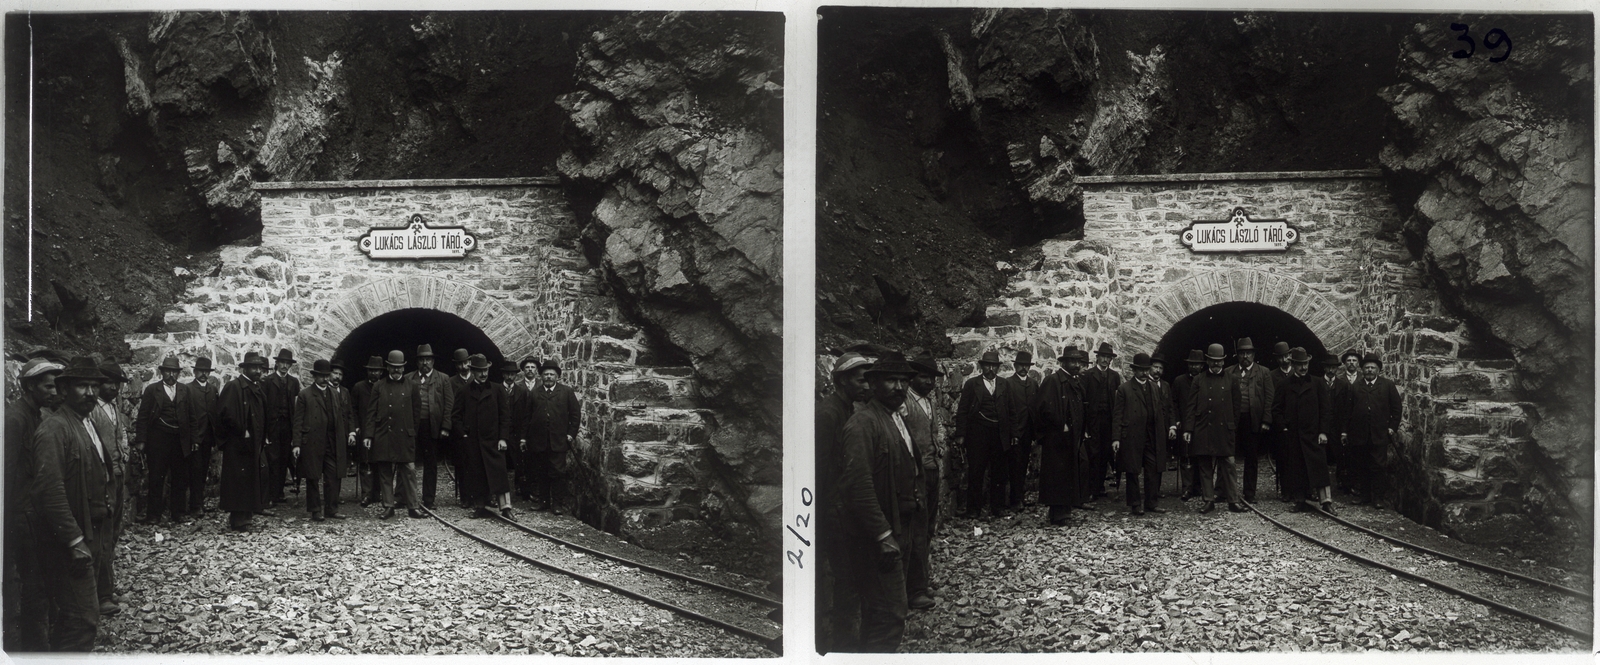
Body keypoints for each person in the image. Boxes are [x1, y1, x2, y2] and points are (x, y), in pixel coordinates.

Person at [835, 351, 922, 652]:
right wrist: (882, 534)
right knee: (891, 615)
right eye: (890, 380)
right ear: (872, 384)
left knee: (879, 611)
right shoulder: (863, 424)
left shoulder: (895, 418)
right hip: (880, 537)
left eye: (904, 380)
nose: (899, 387)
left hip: (901, 529)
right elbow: (857, 486)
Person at [25, 358, 113, 651]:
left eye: (94, 386)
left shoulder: (86, 422)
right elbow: (49, 491)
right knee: (83, 618)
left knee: (72, 617)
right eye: (82, 385)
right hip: (72, 541)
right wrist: (74, 540)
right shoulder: (55, 429)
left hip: (93, 533)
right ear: (64, 389)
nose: (90, 392)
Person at [5, 358, 64, 650]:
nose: (55, 392)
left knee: (41, 583)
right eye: (48, 386)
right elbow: (7, 474)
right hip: (21, 517)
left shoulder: (37, 415)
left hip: (34, 514)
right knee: (33, 586)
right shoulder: (15, 419)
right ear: (30, 387)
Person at [815, 352, 871, 655]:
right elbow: (821, 470)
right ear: (841, 381)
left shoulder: (848, 409)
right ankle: (839, 646)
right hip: (834, 513)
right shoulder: (828, 414)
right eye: (860, 380)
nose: (866, 385)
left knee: (850, 579)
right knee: (845, 579)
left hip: (845, 509)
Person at [89, 363, 132, 616]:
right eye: (108, 382)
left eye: (117, 383)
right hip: (101, 479)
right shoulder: (92, 410)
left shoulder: (114, 408)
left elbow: (120, 438)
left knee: (113, 533)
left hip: (116, 477)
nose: (113, 387)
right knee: (102, 535)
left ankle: (107, 584)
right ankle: (100, 593)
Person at [900, 353, 941, 610]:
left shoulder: (929, 402)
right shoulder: (904, 402)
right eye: (923, 376)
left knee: (927, 528)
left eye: (932, 378)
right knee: (914, 529)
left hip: (932, 470)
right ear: (913, 377)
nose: (928, 382)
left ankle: (921, 580)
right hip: (915, 473)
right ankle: (912, 589)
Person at [953, 351, 1017, 519]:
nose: (990, 369)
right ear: (981, 367)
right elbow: (963, 410)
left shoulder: (1004, 384)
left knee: (1000, 472)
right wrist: (961, 434)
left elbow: (1012, 411)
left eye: (994, 366)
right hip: (978, 433)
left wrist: (1013, 433)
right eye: (987, 366)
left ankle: (997, 508)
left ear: (997, 367)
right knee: (976, 471)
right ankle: (973, 509)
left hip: (999, 434)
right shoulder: (972, 384)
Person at [364, 351, 426, 520]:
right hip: (384, 434)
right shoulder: (379, 386)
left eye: (399, 367)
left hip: (404, 436)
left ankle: (413, 507)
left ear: (404, 367)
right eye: (393, 367)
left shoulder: (412, 385)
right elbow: (371, 412)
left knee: (409, 471)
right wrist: (368, 436)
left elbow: (416, 411)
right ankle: (388, 506)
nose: (396, 370)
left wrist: (412, 431)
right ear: (388, 367)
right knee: (385, 472)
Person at [1184, 344, 1246, 514]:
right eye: (1213, 361)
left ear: (1223, 361)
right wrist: (1188, 430)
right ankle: (1208, 500)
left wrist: (1231, 425)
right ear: (1208, 361)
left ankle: (1233, 500)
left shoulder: (1232, 379)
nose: (1216, 364)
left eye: (1219, 361)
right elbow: (1191, 407)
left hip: (1224, 430)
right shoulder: (1199, 380)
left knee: (1229, 465)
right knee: (1205, 466)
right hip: (1204, 428)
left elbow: (1237, 406)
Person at [134, 356, 196, 524]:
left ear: (178, 374)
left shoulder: (184, 390)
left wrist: (194, 439)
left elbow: (192, 417)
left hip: (180, 440)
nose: (171, 375)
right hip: (158, 440)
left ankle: (178, 513)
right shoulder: (152, 390)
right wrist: (141, 440)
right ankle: (153, 515)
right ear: (162, 372)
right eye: (168, 371)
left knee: (180, 478)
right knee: (156, 478)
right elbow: (143, 416)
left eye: (174, 372)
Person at [1273, 348, 1335, 513]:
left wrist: (1323, 432)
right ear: (1293, 365)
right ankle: (1300, 500)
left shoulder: (1317, 383)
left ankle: (1326, 502)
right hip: (1294, 435)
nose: (1303, 367)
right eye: (1299, 364)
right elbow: (1276, 409)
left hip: (1314, 434)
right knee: (1297, 468)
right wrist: (1284, 427)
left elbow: (1325, 410)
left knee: (1320, 467)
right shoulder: (1284, 385)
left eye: (1305, 363)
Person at [1111, 353, 1174, 515]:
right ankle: (1135, 504)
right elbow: (1117, 415)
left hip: (1151, 435)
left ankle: (1151, 503)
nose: (1144, 373)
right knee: (1133, 470)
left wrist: (1165, 430)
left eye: (1146, 369)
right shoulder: (1124, 389)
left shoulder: (1153, 387)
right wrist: (1116, 438)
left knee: (1153, 469)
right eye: (1141, 370)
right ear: (1134, 370)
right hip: (1132, 435)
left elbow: (1160, 410)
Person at [292, 360, 353, 522]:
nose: (325, 379)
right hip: (312, 442)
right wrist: (297, 444)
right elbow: (298, 421)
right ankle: (315, 510)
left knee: (333, 477)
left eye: (327, 376)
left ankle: (332, 509)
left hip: (332, 443)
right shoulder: (305, 395)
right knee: (313, 477)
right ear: (314, 377)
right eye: (321, 376)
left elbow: (341, 418)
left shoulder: (334, 393)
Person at [454, 354, 514, 519]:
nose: (483, 374)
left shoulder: (497, 389)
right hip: (474, 441)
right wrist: (464, 434)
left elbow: (505, 416)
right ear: (472, 371)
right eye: (479, 371)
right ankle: (480, 506)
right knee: (477, 473)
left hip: (494, 440)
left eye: (485, 370)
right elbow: (456, 416)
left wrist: (503, 438)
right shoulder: (464, 391)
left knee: (499, 473)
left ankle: (506, 508)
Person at [1341, 353, 1402, 508]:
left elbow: (1397, 408)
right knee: (1361, 466)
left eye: (1372, 368)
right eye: (1367, 367)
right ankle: (1364, 496)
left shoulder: (1387, 385)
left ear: (1378, 370)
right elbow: (1347, 411)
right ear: (1362, 370)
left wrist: (1392, 427)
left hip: (1379, 434)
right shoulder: (1356, 386)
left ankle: (1378, 498)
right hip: (1359, 435)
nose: (1369, 370)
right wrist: (1345, 431)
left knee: (1379, 466)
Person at [217, 352, 269, 532]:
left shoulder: (257, 387)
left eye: (259, 368)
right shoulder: (234, 387)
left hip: (253, 443)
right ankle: (238, 519)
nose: (257, 371)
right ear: (244, 368)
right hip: (238, 444)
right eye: (254, 367)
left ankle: (247, 515)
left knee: (250, 479)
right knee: (238, 481)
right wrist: (241, 430)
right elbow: (225, 414)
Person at [1036, 346, 1087, 526]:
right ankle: (1058, 513)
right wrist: (1060, 424)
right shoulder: (1053, 381)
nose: (1076, 365)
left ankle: (1065, 510)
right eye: (1072, 361)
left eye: (1078, 362)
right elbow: (1044, 408)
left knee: (1068, 473)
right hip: (1057, 438)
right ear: (1063, 362)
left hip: (1072, 437)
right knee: (1057, 474)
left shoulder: (1075, 382)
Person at [525, 359, 581, 515]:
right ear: (541, 376)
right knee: (541, 471)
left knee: (558, 472)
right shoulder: (535, 393)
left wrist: (570, 434)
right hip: (539, 440)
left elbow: (575, 415)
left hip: (559, 441)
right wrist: (526, 437)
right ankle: (543, 502)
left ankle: (557, 504)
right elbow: (527, 416)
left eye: (552, 374)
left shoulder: (566, 392)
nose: (548, 377)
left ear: (557, 377)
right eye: (546, 374)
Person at [1225, 337, 1274, 504]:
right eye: (1242, 353)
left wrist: (1266, 420)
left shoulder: (1263, 372)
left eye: (1248, 353)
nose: (1245, 356)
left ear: (1253, 355)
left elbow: (1269, 398)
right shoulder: (1229, 372)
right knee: (1227, 456)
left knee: (1251, 458)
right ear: (1237, 355)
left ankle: (1249, 493)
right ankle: (1225, 491)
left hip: (1253, 420)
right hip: (1233, 420)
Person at [406, 344, 455, 511]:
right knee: (406, 462)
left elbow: (449, 404)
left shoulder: (443, 378)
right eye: (421, 359)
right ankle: (404, 497)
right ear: (417, 362)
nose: (424, 363)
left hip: (432, 426)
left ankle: (428, 500)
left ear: (433, 361)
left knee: (431, 463)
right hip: (412, 426)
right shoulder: (408, 378)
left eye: (428, 359)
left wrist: (446, 427)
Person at [1081, 342, 1122, 499]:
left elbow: (1118, 400)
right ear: (1097, 357)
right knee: (1093, 453)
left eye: (1108, 357)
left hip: (1109, 420)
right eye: (1103, 356)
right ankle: (1092, 489)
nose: (1105, 360)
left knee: (1106, 452)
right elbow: (1084, 400)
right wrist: (1085, 425)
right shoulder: (1088, 375)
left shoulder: (1114, 376)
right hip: (1093, 420)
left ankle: (1100, 486)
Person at [262, 348, 301, 504]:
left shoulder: (294, 382)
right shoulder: (267, 381)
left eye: (287, 363)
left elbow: (297, 407)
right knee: (273, 459)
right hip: (272, 426)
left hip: (288, 426)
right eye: (282, 362)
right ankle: (271, 495)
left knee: (285, 459)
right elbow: (264, 408)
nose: (285, 366)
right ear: (276, 363)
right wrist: (265, 432)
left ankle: (279, 493)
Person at [1002, 351, 1038, 512]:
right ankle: (1014, 500)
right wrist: (1012, 433)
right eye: (1020, 365)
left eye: (1026, 366)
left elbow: (1036, 408)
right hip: (1014, 432)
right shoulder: (1008, 383)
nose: (1023, 368)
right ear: (1015, 366)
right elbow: (1006, 411)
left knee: (1023, 464)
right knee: (1013, 466)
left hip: (1028, 432)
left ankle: (1020, 497)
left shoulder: (1033, 384)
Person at [185, 357, 220, 514]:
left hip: (208, 437)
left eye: (206, 372)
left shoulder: (212, 390)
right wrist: (192, 438)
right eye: (200, 371)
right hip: (195, 437)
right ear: (194, 372)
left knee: (204, 469)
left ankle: (200, 502)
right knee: (194, 470)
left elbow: (215, 413)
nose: (203, 374)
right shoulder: (188, 389)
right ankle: (194, 505)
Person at [350, 357, 385, 507]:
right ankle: (366, 494)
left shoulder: (385, 387)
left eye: (376, 370)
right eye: (371, 370)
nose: (373, 373)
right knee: (365, 462)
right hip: (364, 430)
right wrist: (356, 427)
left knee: (379, 462)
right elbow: (352, 410)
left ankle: (377, 493)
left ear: (381, 372)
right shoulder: (359, 387)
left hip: (381, 431)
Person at [1171, 350, 1205, 499]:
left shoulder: (1206, 380)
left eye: (1197, 365)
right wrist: (1176, 420)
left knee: (1200, 456)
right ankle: (1187, 488)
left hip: (1202, 425)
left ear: (1202, 366)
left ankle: (1198, 487)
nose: (1194, 367)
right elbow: (1173, 403)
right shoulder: (1179, 381)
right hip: (1185, 424)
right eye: (1192, 364)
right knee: (1186, 457)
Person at [1333, 348, 1363, 494]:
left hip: (1357, 423)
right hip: (1341, 422)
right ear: (1344, 363)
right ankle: (1341, 480)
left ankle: (1354, 482)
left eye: (1354, 360)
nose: (1351, 363)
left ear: (1358, 363)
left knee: (1356, 453)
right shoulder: (1339, 380)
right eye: (1349, 361)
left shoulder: (1363, 379)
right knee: (1341, 452)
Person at [512, 356, 542, 499]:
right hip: (520, 427)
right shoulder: (517, 385)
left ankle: (534, 488)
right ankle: (519, 485)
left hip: (536, 428)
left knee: (535, 459)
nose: (530, 370)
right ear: (523, 370)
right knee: (520, 457)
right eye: (527, 367)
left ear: (536, 370)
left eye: (533, 367)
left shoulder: (542, 385)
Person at [500, 360, 528, 500]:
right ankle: (500, 491)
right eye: (507, 374)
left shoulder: (522, 392)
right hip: (501, 432)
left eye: (512, 374)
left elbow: (525, 416)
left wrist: (523, 436)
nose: (510, 377)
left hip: (516, 433)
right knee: (500, 462)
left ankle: (519, 488)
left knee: (519, 461)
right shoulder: (497, 390)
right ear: (503, 375)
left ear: (516, 376)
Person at [1269, 341, 1293, 501]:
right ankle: (1285, 490)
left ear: (1290, 356)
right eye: (1280, 357)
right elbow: (1272, 401)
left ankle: (1299, 489)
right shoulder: (1272, 376)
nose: (1284, 360)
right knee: (1283, 458)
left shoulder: (1296, 373)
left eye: (1286, 356)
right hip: (1280, 422)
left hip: (1296, 421)